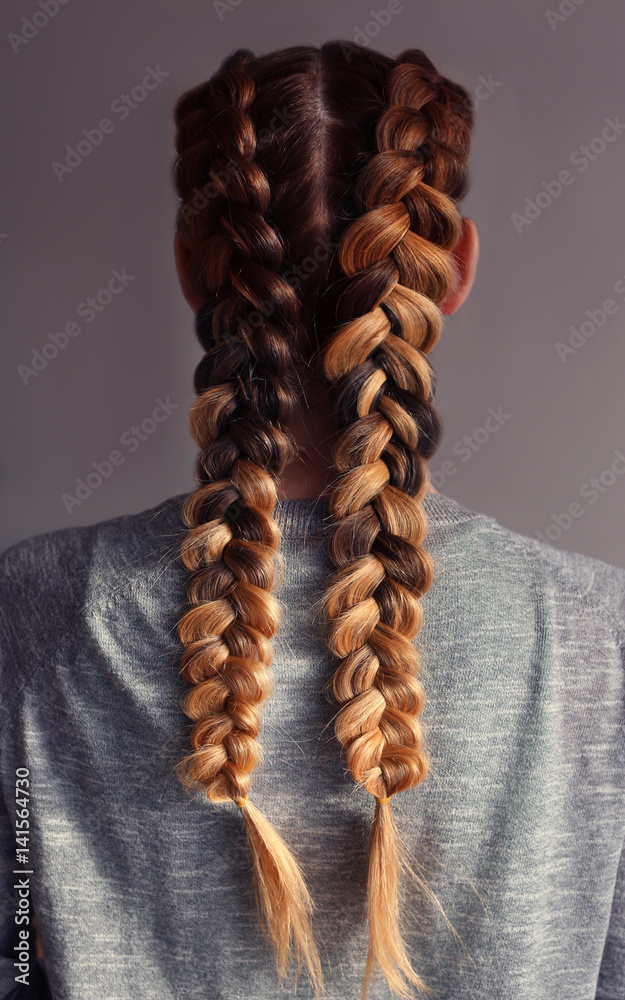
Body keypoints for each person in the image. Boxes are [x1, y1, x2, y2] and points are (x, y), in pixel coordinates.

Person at [0, 40, 623, 1000]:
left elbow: (12, 959)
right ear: (449, 271)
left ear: (195, 273)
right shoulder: (597, 636)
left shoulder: (34, 617)